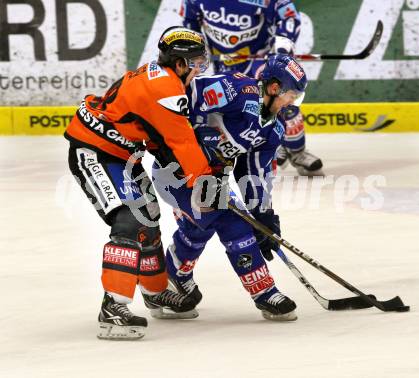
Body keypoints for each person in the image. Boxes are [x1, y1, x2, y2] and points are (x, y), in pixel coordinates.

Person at [64, 26, 214, 339]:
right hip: (94, 150)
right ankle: (113, 307)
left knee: (148, 219)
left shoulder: (160, 75)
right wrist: (206, 183)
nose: (200, 68)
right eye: (197, 62)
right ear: (181, 63)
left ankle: (156, 293)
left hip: (122, 154)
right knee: (129, 220)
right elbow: (182, 142)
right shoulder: (168, 90)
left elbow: (159, 138)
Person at [152, 54, 307, 321]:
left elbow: (253, 174)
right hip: (176, 172)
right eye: (291, 94)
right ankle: (265, 292)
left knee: (200, 227)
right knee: (232, 223)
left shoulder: (273, 130)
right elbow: (184, 95)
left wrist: (264, 216)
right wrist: (195, 138)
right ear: (273, 87)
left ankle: (173, 275)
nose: (292, 102)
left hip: (211, 181)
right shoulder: (236, 89)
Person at [179, 0, 323, 175]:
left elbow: (289, 17)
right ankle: (262, 147)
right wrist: (195, 49)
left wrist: (282, 49)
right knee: (238, 109)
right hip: (225, 64)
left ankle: (298, 152)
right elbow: (189, 20)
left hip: (260, 63)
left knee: (283, 101)